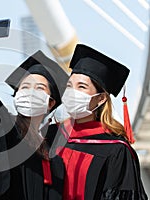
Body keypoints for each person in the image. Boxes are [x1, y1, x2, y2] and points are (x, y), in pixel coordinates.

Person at [0, 20, 68, 200]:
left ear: (50, 102)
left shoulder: (56, 143)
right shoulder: (7, 127)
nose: (30, 92)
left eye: (40, 88)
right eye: (24, 87)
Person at [58, 44, 148, 199]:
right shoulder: (51, 137)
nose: (73, 92)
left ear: (100, 99)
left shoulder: (116, 150)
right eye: (69, 86)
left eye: (82, 87)